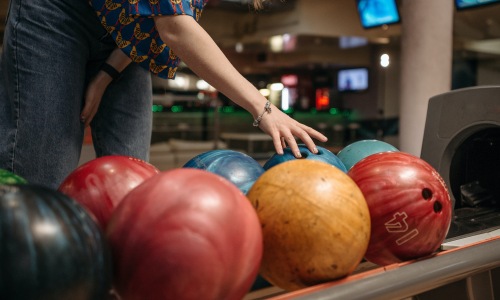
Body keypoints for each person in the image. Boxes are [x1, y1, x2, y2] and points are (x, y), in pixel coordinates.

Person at [0, 0, 327, 190]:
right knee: (42, 180)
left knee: (134, 182)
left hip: (119, 39)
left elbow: (148, 23)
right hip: (57, 14)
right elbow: (174, 26)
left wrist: (107, 74)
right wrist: (264, 108)